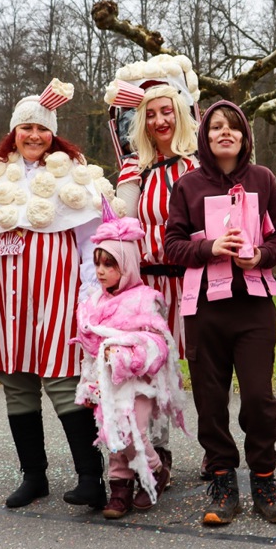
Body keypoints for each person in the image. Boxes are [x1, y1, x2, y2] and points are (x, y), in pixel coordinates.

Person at [0, 81, 110, 511]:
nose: (34, 136)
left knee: (64, 382)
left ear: (53, 134)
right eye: (26, 128)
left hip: (56, 296)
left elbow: (88, 246)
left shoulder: (72, 180)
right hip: (1, 298)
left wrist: (90, 295)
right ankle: (34, 476)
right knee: (16, 385)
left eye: (42, 129)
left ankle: (90, 477)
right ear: (14, 132)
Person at [164, 100, 276, 527]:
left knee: (258, 397)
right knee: (210, 399)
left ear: (244, 136)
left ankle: (264, 480)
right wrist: (210, 248)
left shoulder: (263, 179)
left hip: (254, 307)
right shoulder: (187, 185)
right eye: (215, 127)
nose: (225, 133)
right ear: (204, 135)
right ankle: (222, 480)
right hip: (203, 310)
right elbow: (173, 245)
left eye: (233, 127)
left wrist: (258, 256)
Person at [106, 54, 200, 485]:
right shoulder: (133, 167)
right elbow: (124, 222)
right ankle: (155, 454)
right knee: (152, 367)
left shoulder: (198, 163)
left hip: (196, 279)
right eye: (151, 114)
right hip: (150, 283)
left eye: (167, 111)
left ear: (180, 114)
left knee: (203, 366)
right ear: (140, 122)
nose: (160, 120)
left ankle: (214, 450)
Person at [73, 206, 185, 520]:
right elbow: (90, 350)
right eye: (97, 264)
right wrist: (89, 386)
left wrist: (126, 356)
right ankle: (119, 486)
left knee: (133, 429)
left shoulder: (145, 299)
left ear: (128, 264)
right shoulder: (94, 303)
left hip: (139, 382)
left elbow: (157, 344)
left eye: (110, 264)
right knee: (111, 430)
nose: (101, 271)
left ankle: (154, 470)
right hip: (107, 382)